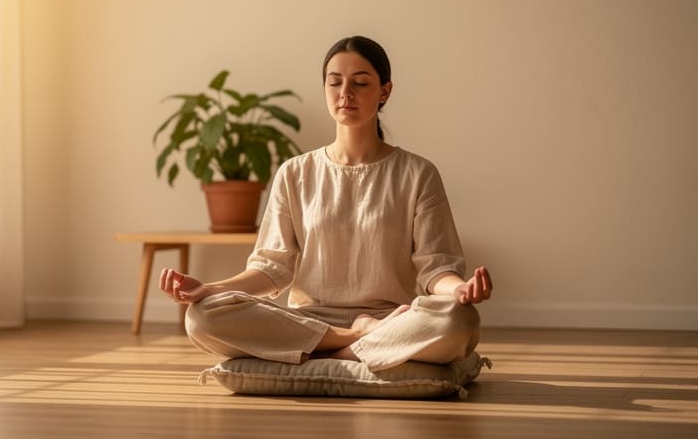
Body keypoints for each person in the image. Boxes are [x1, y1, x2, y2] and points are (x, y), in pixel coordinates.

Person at [159, 35, 492, 372]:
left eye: (360, 83)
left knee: (459, 322)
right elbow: (272, 270)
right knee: (201, 317)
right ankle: (351, 340)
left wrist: (461, 289)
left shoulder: (418, 173)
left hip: (392, 319)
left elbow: (435, 269)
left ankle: (323, 353)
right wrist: (208, 288)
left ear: (384, 92)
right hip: (308, 321)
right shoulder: (295, 172)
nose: (346, 93)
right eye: (335, 82)